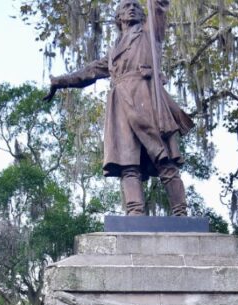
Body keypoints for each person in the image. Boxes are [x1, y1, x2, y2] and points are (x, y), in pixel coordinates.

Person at [44, 0, 194, 217]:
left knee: (163, 158)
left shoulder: (149, 33)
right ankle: (135, 211)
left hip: (146, 98)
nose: (131, 8)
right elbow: (89, 72)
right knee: (127, 161)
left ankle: (180, 212)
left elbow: (159, 7)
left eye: (135, 5)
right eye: (125, 6)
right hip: (121, 104)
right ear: (118, 17)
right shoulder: (114, 50)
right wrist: (59, 81)